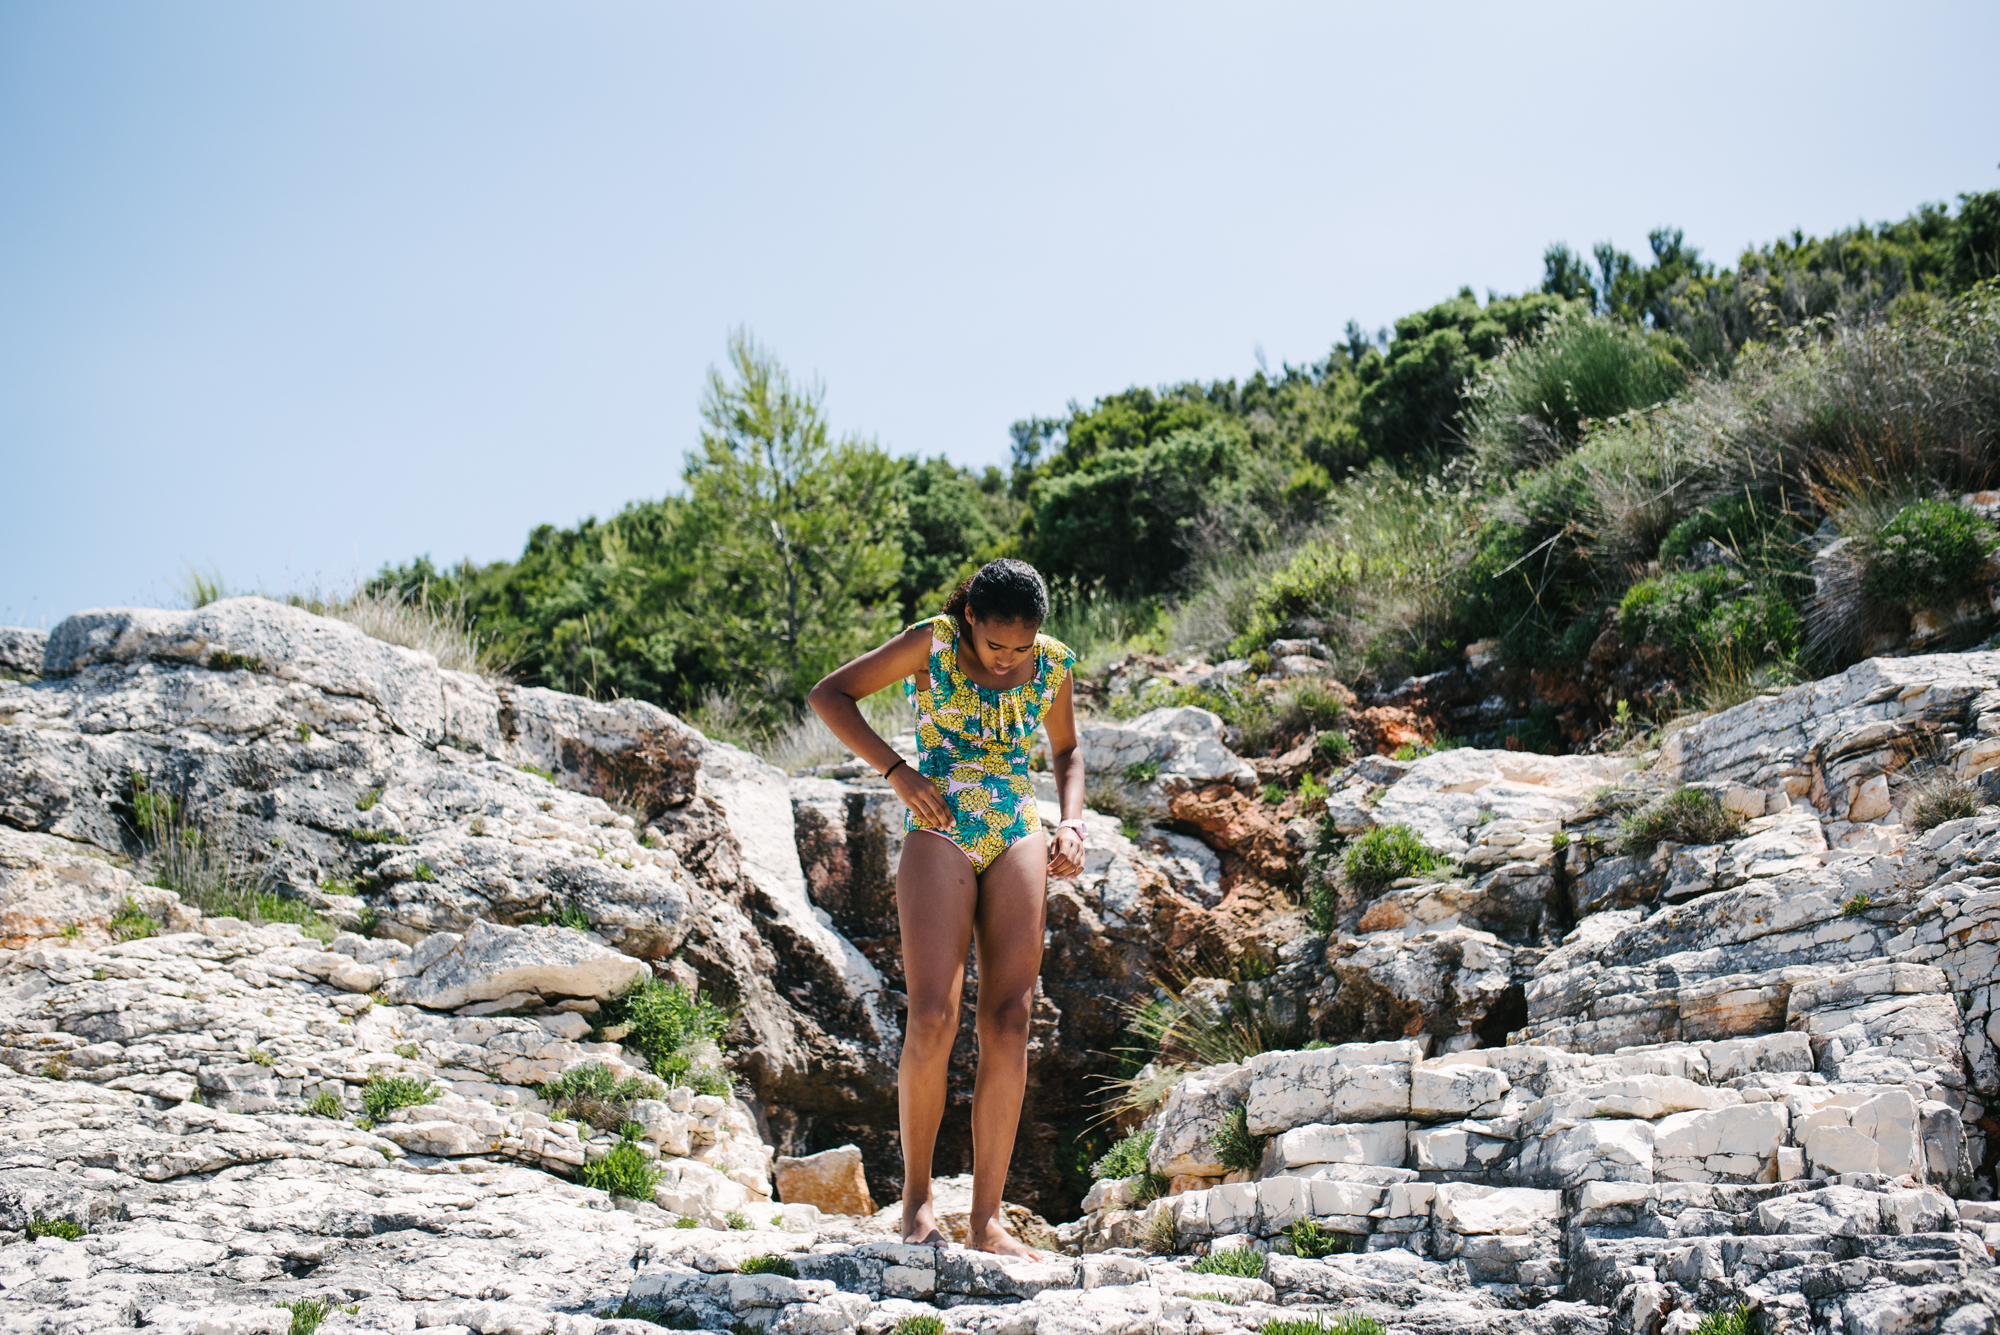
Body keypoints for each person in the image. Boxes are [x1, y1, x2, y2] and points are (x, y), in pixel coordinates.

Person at [808, 557, 1086, 1256]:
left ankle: (988, 1220)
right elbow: (831, 694)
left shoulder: (1052, 665)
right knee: (933, 1012)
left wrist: (1073, 821)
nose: (1009, 659)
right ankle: (918, 1205)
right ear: (971, 619)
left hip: (1017, 823)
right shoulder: (928, 643)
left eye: (1021, 647)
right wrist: (897, 773)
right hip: (939, 818)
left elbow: (1068, 749)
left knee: (1011, 1015)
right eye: (997, 645)